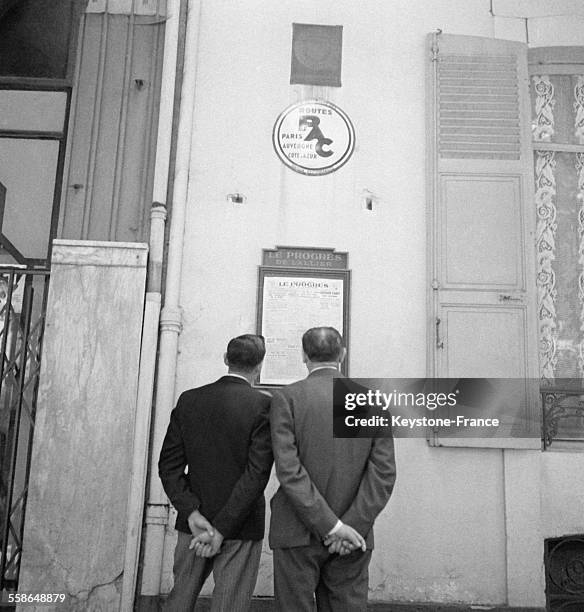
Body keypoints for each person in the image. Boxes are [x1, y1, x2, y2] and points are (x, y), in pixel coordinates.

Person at [269, 326, 397, 611]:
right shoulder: (372, 401)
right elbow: (383, 474)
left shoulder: (287, 398)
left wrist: (331, 525)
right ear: (342, 354)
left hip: (296, 530)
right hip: (354, 535)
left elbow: (289, 470)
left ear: (304, 356)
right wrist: (350, 526)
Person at [158, 334, 273, 612]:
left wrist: (193, 512)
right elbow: (256, 475)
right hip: (241, 525)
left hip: (194, 525)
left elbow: (169, 466)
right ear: (259, 366)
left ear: (225, 359)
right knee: (230, 605)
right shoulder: (263, 405)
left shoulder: (190, 400)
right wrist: (222, 528)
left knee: (180, 601)